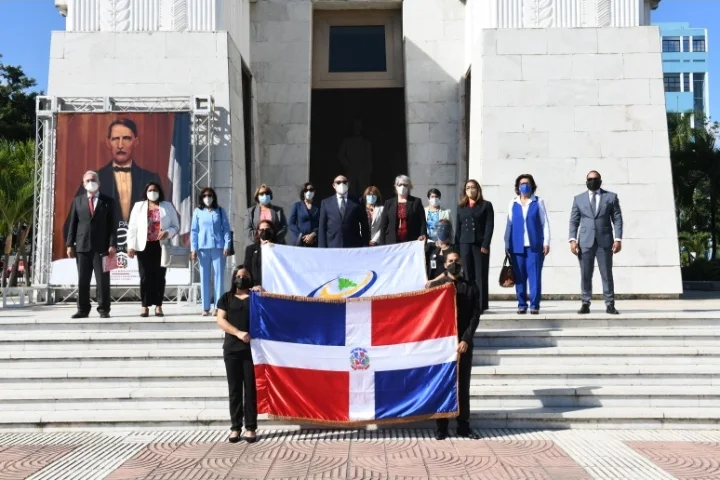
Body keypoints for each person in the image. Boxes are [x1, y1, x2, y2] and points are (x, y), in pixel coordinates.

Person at [63, 118, 162, 237]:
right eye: (115, 139)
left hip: (140, 245)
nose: (120, 145)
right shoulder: (93, 179)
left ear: (136, 141)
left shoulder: (151, 179)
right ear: (108, 142)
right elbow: (71, 225)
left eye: (126, 138)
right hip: (104, 246)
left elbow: (163, 218)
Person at [428, 252, 480, 440]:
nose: (454, 263)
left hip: (463, 343)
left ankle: (463, 426)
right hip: (442, 345)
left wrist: (466, 339)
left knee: (463, 385)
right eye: (450, 261)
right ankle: (441, 427)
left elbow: (475, 316)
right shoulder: (437, 287)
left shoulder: (471, 287)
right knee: (443, 384)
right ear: (445, 265)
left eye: (457, 260)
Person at [216, 265, 262, 443]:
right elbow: (220, 320)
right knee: (234, 390)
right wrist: (238, 333)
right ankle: (235, 427)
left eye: (246, 276)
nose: (242, 279)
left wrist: (263, 293)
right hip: (232, 350)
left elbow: (270, 311)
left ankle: (251, 428)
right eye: (239, 276)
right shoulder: (226, 298)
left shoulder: (255, 297)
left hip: (252, 351)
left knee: (250, 390)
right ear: (234, 278)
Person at [569, 170, 623, 315]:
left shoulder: (611, 197)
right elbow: (574, 221)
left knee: (606, 274)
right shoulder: (578, 199)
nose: (593, 181)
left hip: (605, 242)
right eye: (590, 179)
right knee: (585, 274)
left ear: (600, 180)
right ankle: (585, 303)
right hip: (585, 242)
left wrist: (618, 239)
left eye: (595, 179)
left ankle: (610, 304)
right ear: (586, 181)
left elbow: (617, 219)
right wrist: (572, 240)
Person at [65, 170, 117, 319]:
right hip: (82, 247)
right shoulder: (77, 201)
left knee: (103, 280)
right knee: (83, 280)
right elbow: (72, 224)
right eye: (87, 180)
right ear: (83, 184)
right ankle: (82, 309)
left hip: (103, 248)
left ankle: (104, 309)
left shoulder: (108, 201)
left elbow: (113, 225)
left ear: (99, 183)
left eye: (93, 180)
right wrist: (70, 244)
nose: (90, 183)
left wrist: (112, 244)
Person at [127, 182, 180, 317]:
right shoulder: (139, 206)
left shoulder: (167, 206)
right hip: (143, 246)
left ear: (159, 191)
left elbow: (176, 226)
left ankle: (158, 305)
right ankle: (144, 306)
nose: (152, 192)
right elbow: (132, 227)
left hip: (161, 246)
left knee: (159, 276)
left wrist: (167, 232)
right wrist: (131, 245)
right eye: (150, 190)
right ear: (146, 192)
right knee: (145, 276)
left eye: (155, 190)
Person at [503, 174, 551, 315]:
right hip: (517, 246)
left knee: (535, 276)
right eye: (522, 183)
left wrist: (546, 242)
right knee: (519, 277)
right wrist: (507, 243)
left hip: (534, 246)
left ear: (532, 186)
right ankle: (522, 304)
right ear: (518, 187)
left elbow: (544, 223)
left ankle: (534, 305)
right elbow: (509, 224)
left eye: (527, 183)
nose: (524, 186)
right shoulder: (513, 203)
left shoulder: (538, 202)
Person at [191, 187, 232, 316]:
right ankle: (205, 307)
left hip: (218, 247)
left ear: (213, 197)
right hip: (203, 248)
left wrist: (227, 245)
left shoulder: (220, 211)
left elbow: (226, 229)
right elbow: (194, 231)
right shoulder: (197, 211)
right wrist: (193, 249)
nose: (207, 198)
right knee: (204, 277)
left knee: (219, 277)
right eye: (204, 195)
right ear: (201, 198)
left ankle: (218, 306)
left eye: (209, 195)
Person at [455, 179, 494, 312]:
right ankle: (469, 302)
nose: (470, 190)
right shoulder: (461, 207)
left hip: (479, 245)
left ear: (478, 189)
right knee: (467, 274)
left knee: (480, 274)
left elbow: (489, 226)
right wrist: (457, 248)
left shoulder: (486, 205)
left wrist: (485, 244)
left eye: (473, 187)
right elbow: (458, 228)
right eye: (468, 188)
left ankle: (481, 304)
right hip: (464, 244)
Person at [318, 175, 370, 248]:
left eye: (344, 182)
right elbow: (322, 227)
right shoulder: (326, 203)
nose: (341, 184)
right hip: (332, 245)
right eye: (338, 182)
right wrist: (322, 248)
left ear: (348, 184)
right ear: (334, 185)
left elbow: (364, 225)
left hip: (353, 246)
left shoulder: (358, 201)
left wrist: (365, 245)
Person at [378, 175, 427, 245]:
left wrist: (422, 235)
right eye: (400, 184)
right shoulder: (388, 203)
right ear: (395, 186)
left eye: (405, 185)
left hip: (411, 241)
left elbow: (422, 221)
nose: (402, 187)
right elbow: (383, 225)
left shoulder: (416, 202)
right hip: (392, 241)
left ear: (409, 187)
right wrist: (382, 243)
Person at [338, 119, 372, 196]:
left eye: (359, 126)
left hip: (363, 171)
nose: (357, 128)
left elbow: (368, 158)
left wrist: (369, 170)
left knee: (363, 191)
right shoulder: (347, 141)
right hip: (351, 170)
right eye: (355, 126)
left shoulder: (366, 142)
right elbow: (341, 155)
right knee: (351, 191)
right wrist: (347, 165)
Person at [244, 220, 276, 287]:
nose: (265, 231)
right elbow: (247, 268)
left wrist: (271, 247)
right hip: (255, 287)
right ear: (258, 232)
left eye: (267, 229)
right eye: (262, 230)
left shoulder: (277, 248)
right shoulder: (250, 249)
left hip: (273, 286)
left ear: (272, 231)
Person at [288, 182, 319, 247]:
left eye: (311, 190)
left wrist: (313, 234)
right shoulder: (297, 205)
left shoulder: (319, 206)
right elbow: (291, 223)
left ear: (314, 192)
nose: (308, 192)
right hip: (299, 240)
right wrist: (302, 235)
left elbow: (321, 224)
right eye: (306, 190)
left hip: (313, 241)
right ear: (303, 192)